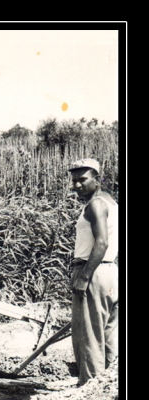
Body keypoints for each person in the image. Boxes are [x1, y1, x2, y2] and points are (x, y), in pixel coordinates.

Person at [68, 158, 118, 386]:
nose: (77, 185)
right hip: (110, 271)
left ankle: (88, 387)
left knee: (88, 335)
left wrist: (84, 277)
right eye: (74, 180)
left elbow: (101, 243)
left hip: (94, 271)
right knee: (109, 335)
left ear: (97, 180)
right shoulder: (112, 203)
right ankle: (108, 388)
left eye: (83, 180)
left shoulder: (96, 204)